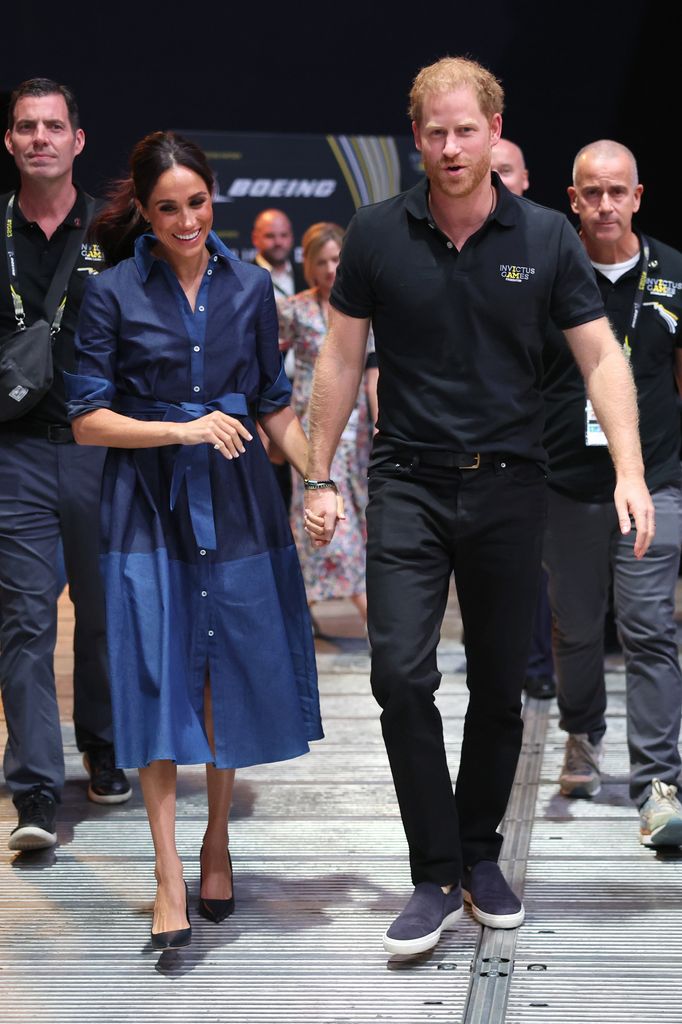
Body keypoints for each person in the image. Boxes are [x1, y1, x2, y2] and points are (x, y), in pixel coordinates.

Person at [303, 56, 654, 956]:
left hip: (510, 483)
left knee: (502, 687)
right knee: (398, 675)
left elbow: (603, 358)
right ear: (415, 136)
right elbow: (339, 361)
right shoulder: (377, 233)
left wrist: (629, 467)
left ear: (495, 131)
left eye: (467, 129)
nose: (452, 146)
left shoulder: (544, 236)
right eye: (435, 131)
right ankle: (433, 872)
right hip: (409, 480)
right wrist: (316, 475)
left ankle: (478, 854)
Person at [66, 131, 323, 950]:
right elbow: (85, 421)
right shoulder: (109, 293)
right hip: (147, 506)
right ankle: (167, 869)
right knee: (156, 669)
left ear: (216, 200)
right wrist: (179, 433)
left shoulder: (252, 288)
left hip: (241, 502)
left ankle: (216, 841)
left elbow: (275, 404)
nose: (185, 220)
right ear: (143, 210)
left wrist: (317, 481)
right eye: (168, 207)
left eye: (198, 203)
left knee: (224, 675)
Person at [0, 78, 131, 854]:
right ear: (9, 143)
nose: (40, 137)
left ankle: (105, 747)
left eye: (54, 126)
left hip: (100, 451)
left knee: (107, 614)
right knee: (23, 621)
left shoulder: (113, 234)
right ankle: (37, 792)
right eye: (25, 127)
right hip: (13, 454)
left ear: (78, 140)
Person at [542, 140, 682, 846]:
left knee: (651, 625)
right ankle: (581, 735)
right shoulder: (548, 273)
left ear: (637, 196)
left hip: (656, 481)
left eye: (616, 192)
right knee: (575, 627)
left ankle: (659, 782)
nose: (603, 204)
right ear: (573, 198)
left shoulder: (675, 275)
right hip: (567, 482)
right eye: (590, 192)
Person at [279, 222, 375, 629]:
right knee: (325, 517)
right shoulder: (295, 309)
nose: (331, 268)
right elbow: (262, 353)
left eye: (337, 259)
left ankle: (299, 612)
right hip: (311, 431)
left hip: (357, 431)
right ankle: (371, 613)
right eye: (322, 262)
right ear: (309, 266)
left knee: (356, 512)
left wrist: (379, 416)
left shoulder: (361, 307)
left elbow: (373, 370)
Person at [490, 137, 556, 701]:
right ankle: (531, 662)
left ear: (526, 176)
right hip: (505, 449)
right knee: (526, 571)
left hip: (561, 434)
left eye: (505, 170)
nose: (496, 179)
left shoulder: (550, 240)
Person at [251, 209, 305, 514]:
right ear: (255, 238)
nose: (278, 242)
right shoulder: (241, 279)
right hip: (264, 391)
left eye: (284, 235)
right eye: (270, 235)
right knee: (270, 474)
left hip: (305, 388)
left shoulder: (308, 273)